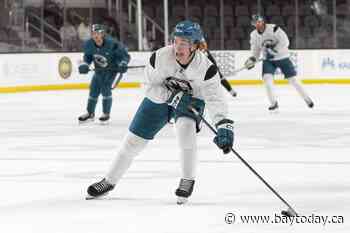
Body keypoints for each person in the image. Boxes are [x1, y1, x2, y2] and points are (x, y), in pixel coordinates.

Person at [86, 20, 234, 204]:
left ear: (195, 46)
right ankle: (109, 181)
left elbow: (215, 99)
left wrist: (223, 125)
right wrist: (172, 97)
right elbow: (148, 87)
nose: (177, 47)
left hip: (191, 102)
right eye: (176, 41)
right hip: (159, 99)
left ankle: (187, 179)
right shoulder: (159, 57)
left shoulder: (207, 68)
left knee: (185, 132)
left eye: (184, 43)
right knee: (133, 142)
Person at [245, 15, 314, 111]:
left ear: (263, 21)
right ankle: (274, 103)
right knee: (267, 79)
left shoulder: (274, 29)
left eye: (259, 22)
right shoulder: (253, 35)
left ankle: (307, 99)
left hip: (282, 57)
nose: (258, 25)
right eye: (255, 23)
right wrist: (252, 59)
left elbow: (285, 42)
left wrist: (274, 50)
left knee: (293, 80)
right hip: (268, 60)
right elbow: (255, 50)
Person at [78, 24, 130, 124]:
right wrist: (85, 65)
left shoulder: (113, 43)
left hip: (111, 71)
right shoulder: (89, 44)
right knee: (93, 90)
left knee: (105, 89)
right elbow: (87, 57)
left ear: (102, 34)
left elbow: (124, 56)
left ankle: (106, 114)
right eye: (93, 33)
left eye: (98, 33)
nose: (96, 36)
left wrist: (123, 63)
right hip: (99, 71)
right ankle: (90, 113)